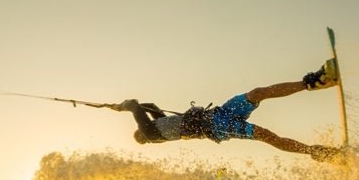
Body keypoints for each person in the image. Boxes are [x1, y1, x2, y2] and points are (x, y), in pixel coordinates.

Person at [118, 60, 342, 162]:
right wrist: (122, 106)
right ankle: (317, 152)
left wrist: (133, 106)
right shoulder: (150, 135)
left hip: (219, 113)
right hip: (217, 127)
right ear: (144, 139)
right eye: (139, 132)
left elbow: (152, 108)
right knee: (266, 134)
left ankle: (315, 82)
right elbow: (136, 107)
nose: (140, 130)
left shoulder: (158, 125)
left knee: (257, 92)